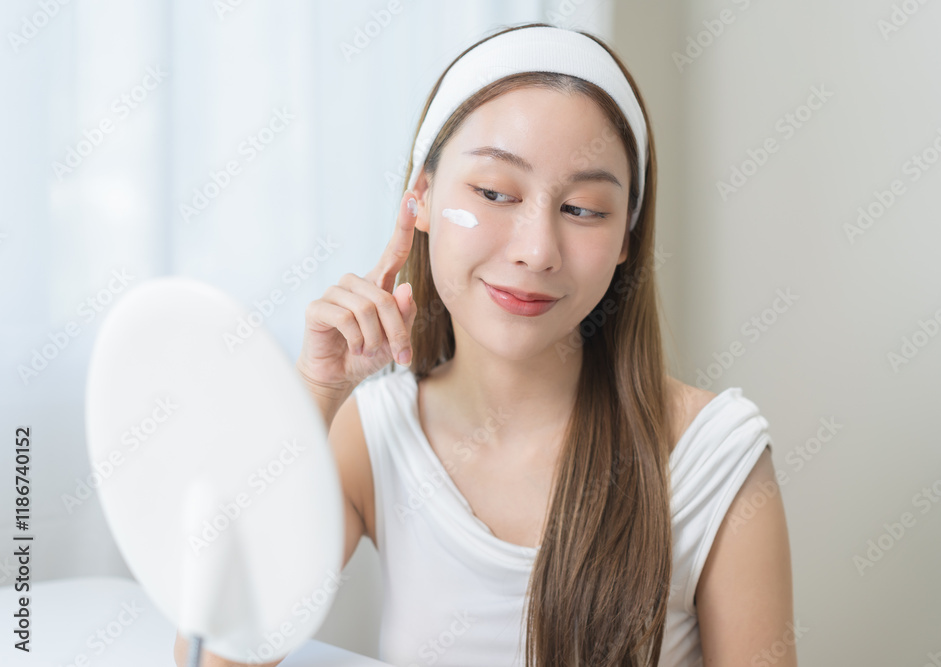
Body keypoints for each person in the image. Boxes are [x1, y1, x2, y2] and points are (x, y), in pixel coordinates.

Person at [175, 21, 795, 667]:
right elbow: (214, 656)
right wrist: (315, 392)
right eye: (494, 193)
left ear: (626, 241)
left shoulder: (713, 454)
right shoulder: (376, 431)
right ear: (419, 199)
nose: (536, 250)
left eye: (583, 209)